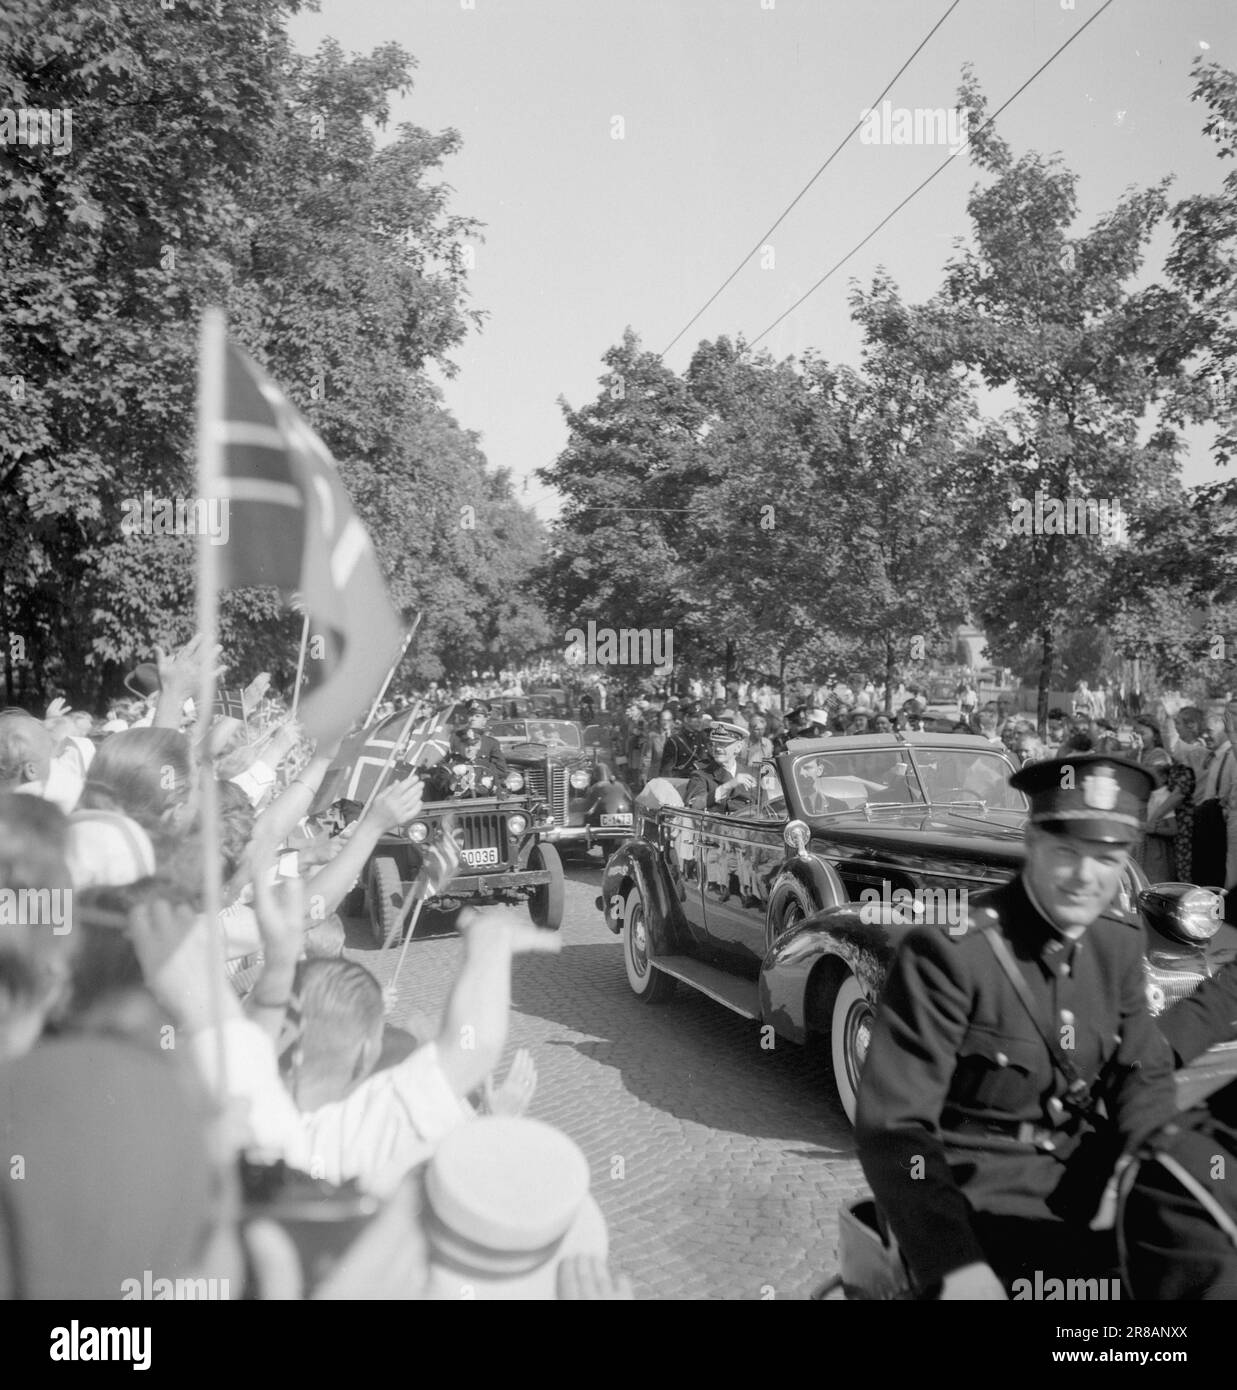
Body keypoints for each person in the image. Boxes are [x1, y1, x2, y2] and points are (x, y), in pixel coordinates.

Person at [855, 754, 1178, 1299]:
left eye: (1107, 857)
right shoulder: (951, 951)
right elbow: (895, 1130)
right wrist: (954, 1266)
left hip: (1085, 1185)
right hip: (972, 1197)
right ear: (1031, 842)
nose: (1085, 877)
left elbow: (1143, 1070)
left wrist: (1141, 1169)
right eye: (1066, 852)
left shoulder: (1115, 943)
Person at [684, 724, 754, 813]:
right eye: (714, 744)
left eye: (723, 744)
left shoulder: (751, 773)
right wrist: (728, 786)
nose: (717, 748)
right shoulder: (700, 776)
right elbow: (694, 805)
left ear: (738, 747)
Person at [447, 700, 508, 782]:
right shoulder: (455, 738)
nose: (472, 719)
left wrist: (481, 775)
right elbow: (444, 764)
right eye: (470, 715)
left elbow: (501, 771)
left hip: (483, 787)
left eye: (477, 716)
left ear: (485, 719)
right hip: (458, 784)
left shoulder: (491, 743)